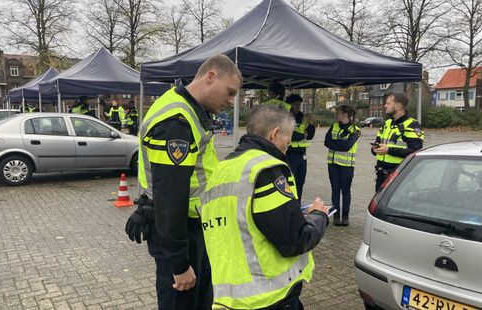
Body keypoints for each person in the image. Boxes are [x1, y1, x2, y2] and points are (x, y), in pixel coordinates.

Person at [124, 54, 242, 309]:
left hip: (190, 228)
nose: (231, 101)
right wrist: (179, 264)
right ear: (211, 76)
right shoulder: (176, 121)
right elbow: (170, 197)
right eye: (230, 92)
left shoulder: (187, 110)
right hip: (181, 234)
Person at [201, 105, 329, 309]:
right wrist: (318, 216)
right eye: (287, 141)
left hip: (229, 298)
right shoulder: (266, 169)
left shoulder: (221, 169)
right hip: (269, 297)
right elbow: (295, 240)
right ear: (275, 133)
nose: (287, 147)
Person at [371, 92, 424, 192]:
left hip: (399, 176)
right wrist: (375, 149)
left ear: (398, 106)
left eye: (388, 103)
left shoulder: (412, 125)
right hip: (381, 174)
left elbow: (415, 151)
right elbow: (377, 143)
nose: (385, 105)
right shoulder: (387, 123)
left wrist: (389, 150)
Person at [325, 105, 360, 226]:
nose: (336, 115)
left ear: (344, 114)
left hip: (347, 166)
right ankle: (336, 215)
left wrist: (335, 143)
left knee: (345, 190)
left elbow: (347, 146)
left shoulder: (355, 129)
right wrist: (340, 143)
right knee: (335, 189)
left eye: (338, 113)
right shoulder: (334, 126)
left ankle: (345, 215)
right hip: (333, 164)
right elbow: (326, 142)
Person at [285, 94, 315, 202]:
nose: (298, 106)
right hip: (290, 154)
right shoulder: (286, 117)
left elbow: (310, 136)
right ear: (290, 105)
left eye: (299, 104)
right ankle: (290, 206)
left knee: (300, 183)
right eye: (296, 104)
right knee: (289, 183)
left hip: (302, 155)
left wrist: (311, 124)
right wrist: (303, 135)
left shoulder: (302, 116)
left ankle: (298, 206)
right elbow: (290, 135)